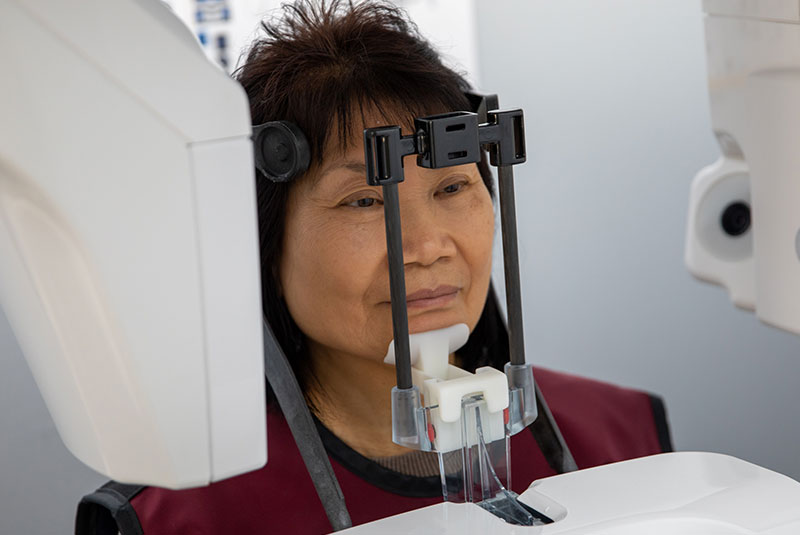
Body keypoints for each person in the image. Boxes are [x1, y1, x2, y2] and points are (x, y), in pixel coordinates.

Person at [76, 1, 672, 533]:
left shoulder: (622, 436)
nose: (427, 246)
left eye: (452, 188)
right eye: (364, 200)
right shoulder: (172, 516)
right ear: (259, 240)